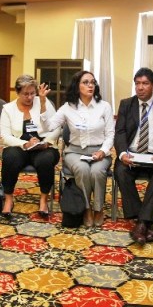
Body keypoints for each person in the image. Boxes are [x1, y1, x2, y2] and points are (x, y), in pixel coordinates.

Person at [40, 71, 114, 227]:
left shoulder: (104, 107)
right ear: (77, 86)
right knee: (82, 169)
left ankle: (98, 208)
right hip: (75, 151)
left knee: (96, 171)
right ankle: (86, 208)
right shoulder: (68, 107)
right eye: (85, 82)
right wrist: (42, 102)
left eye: (92, 82)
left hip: (99, 152)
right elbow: (48, 126)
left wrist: (103, 151)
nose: (90, 85)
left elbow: (110, 134)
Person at [114, 68, 153, 244]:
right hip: (132, 156)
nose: (140, 87)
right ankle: (144, 221)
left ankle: (141, 223)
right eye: (137, 83)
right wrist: (122, 154)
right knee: (120, 170)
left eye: (145, 83)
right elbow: (119, 133)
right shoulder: (126, 104)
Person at [0, 75, 60, 217]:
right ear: (17, 92)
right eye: (25, 94)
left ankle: (43, 199)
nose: (30, 97)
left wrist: (47, 142)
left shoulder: (43, 102)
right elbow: (5, 136)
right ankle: (8, 199)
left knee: (45, 160)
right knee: (10, 158)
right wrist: (24, 144)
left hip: (43, 145)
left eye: (32, 93)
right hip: (19, 146)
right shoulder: (8, 109)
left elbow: (56, 128)